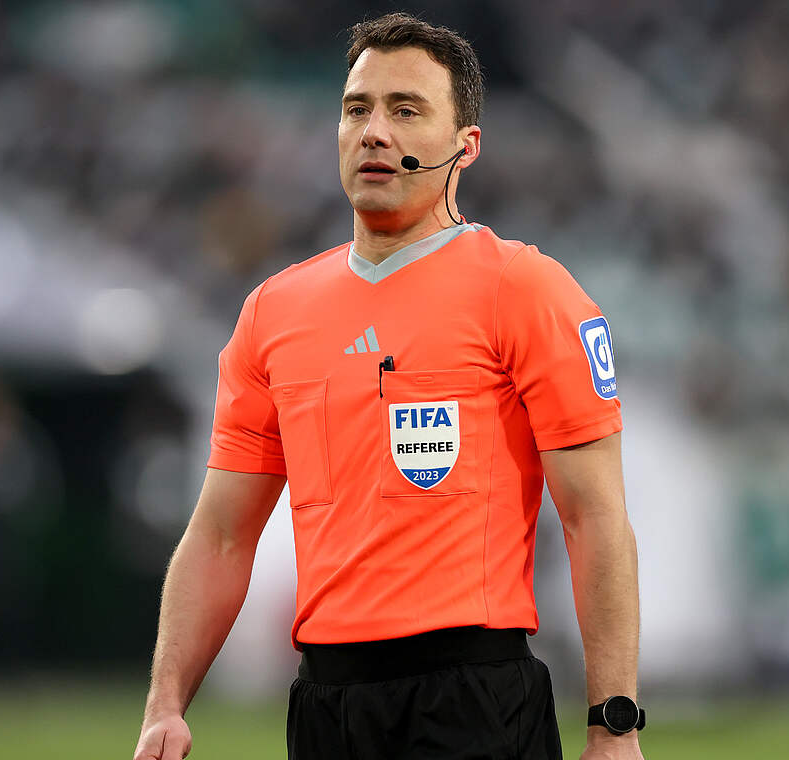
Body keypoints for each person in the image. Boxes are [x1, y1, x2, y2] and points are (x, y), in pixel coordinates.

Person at [134, 12, 643, 760]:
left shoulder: (525, 289)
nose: (374, 132)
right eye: (357, 109)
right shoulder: (273, 313)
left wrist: (613, 724)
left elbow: (594, 518)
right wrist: (165, 703)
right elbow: (220, 534)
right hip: (327, 706)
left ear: (465, 145)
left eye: (406, 111)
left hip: (473, 698)